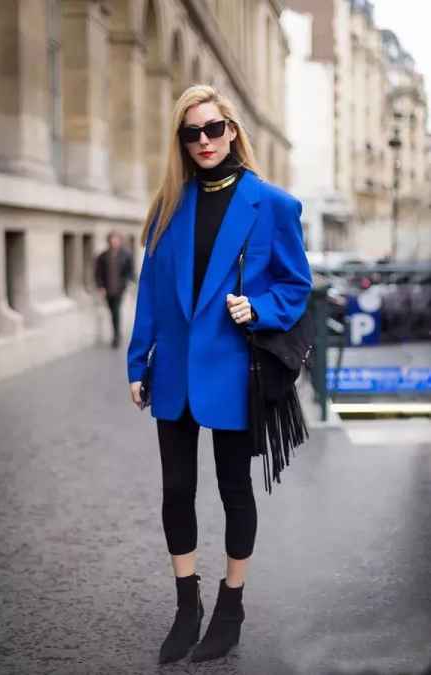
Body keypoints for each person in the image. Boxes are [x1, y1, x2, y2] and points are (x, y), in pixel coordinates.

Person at [127, 85, 312, 664]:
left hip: (235, 370)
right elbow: (151, 295)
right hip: (174, 372)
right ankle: (188, 607)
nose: (204, 141)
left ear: (231, 130)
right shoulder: (169, 206)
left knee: (235, 490)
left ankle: (230, 608)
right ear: (181, 141)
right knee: (176, 491)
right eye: (192, 133)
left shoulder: (272, 204)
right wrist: (137, 361)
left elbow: (297, 286)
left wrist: (258, 307)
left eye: (213, 128)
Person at [95, 231, 134, 348]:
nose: (114, 242)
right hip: (108, 289)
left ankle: (116, 336)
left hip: (119, 288)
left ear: (119, 241)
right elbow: (98, 273)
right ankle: (117, 333)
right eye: (112, 240)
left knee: (116, 310)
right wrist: (100, 286)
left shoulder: (126, 255)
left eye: (116, 239)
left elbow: (130, 272)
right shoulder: (103, 256)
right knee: (112, 311)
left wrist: (126, 283)